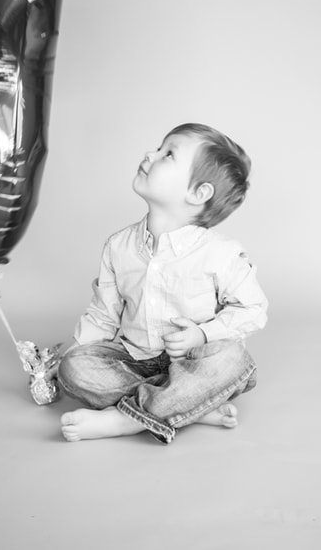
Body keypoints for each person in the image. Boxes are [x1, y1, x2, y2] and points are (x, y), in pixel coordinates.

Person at [57, 123, 268, 443]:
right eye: (158, 148)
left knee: (232, 359)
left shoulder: (220, 254)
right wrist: (68, 353)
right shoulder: (119, 246)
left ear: (198, 193)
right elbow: (103, 315)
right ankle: (187, 406)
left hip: (194, 365)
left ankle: (124, 421)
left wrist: (202, 334)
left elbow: (253, 310)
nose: (149, 154)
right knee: (74, 368)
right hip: (135, 362)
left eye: (167, 154)